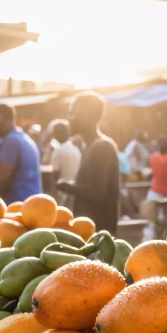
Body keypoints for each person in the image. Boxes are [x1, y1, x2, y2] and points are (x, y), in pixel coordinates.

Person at [56, 93, 120, 233]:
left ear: (88, 117)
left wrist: (69, 187)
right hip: (89, 229)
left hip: (98, 232)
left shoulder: (102, 147)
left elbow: (98, 193)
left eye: (73, 114)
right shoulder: (90, 146)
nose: (69, 119)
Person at [0, 104, 42, 204]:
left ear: (7, 119)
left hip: (22, 205)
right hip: (30, 203)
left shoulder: (12, 140)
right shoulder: (18, 137)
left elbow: (3, 179)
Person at [48, 120, 82, 205]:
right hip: (74, 193)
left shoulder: (59, 151)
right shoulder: (76, 150)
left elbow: (55, 176)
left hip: (61, 194)